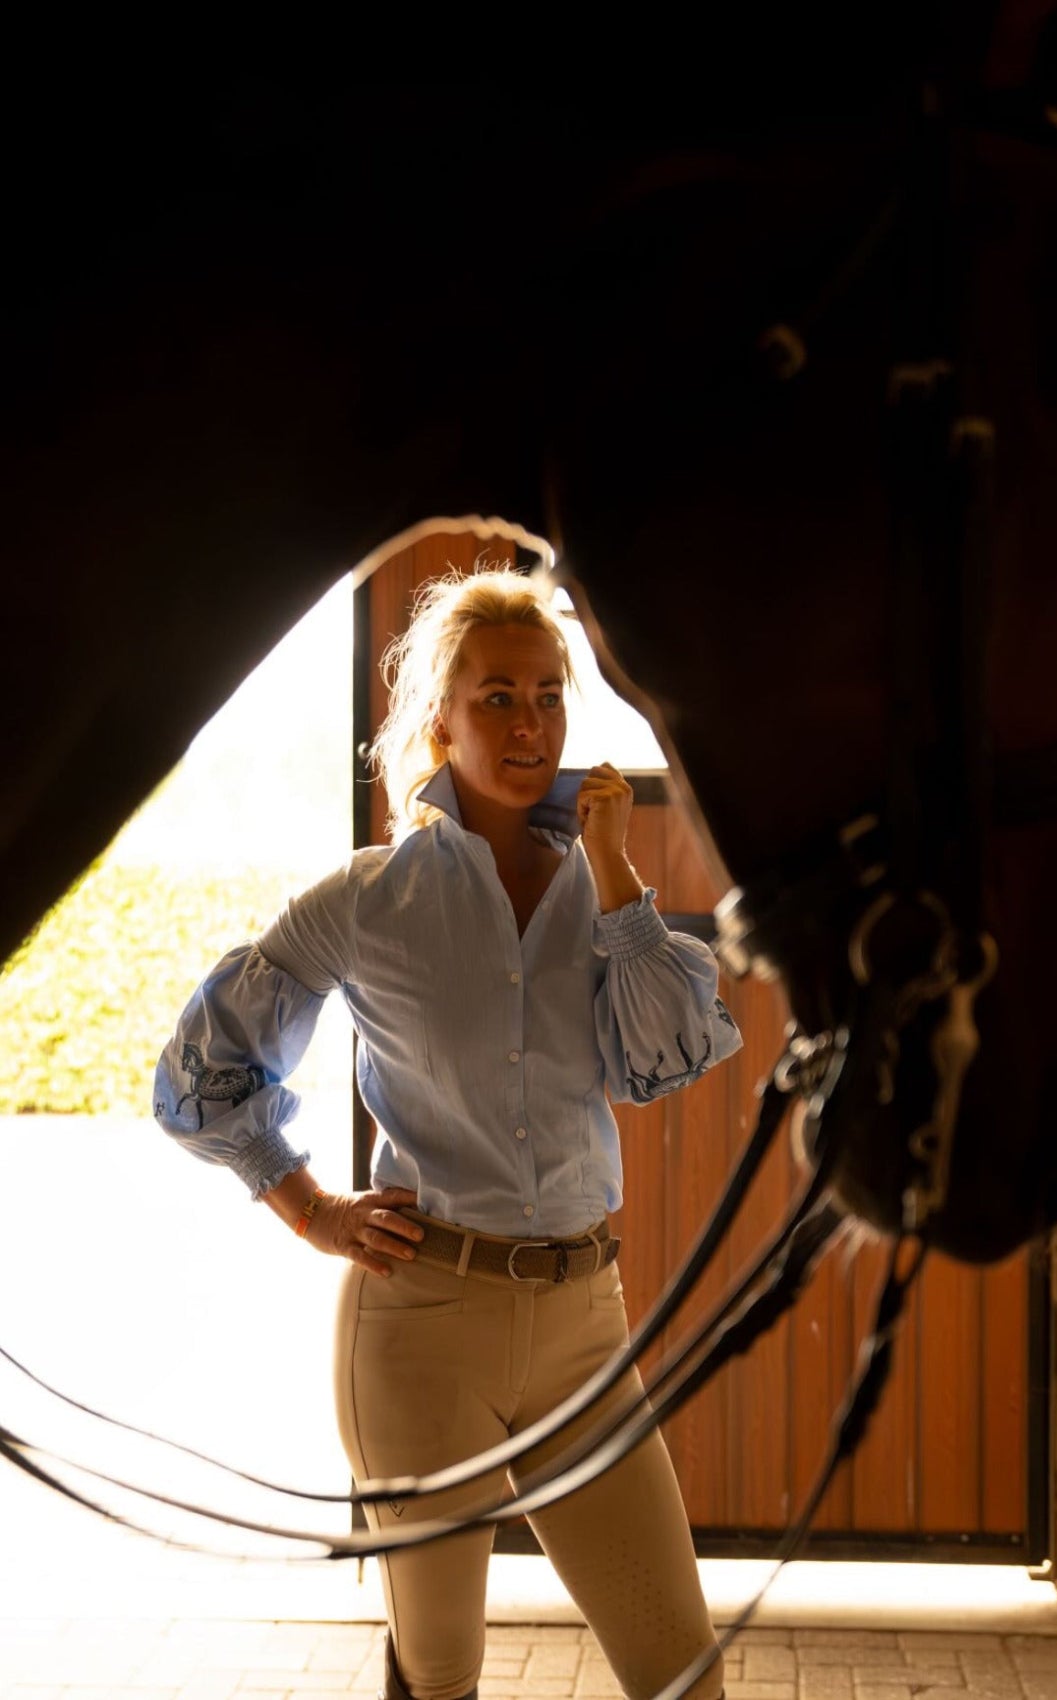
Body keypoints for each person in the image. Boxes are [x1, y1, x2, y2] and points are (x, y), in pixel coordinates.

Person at [154, 565, 742, 1700]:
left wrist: (620, 875)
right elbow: (204, 1068)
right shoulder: (371, 899)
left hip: (585, 1328)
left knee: (684, 1673)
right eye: (498, 697)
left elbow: (663, 1056)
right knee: (440, 1677)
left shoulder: (606, 898)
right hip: (419, 1328)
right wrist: (310, 1204)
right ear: (443, 717)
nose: (530, 722)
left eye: (549, 693)